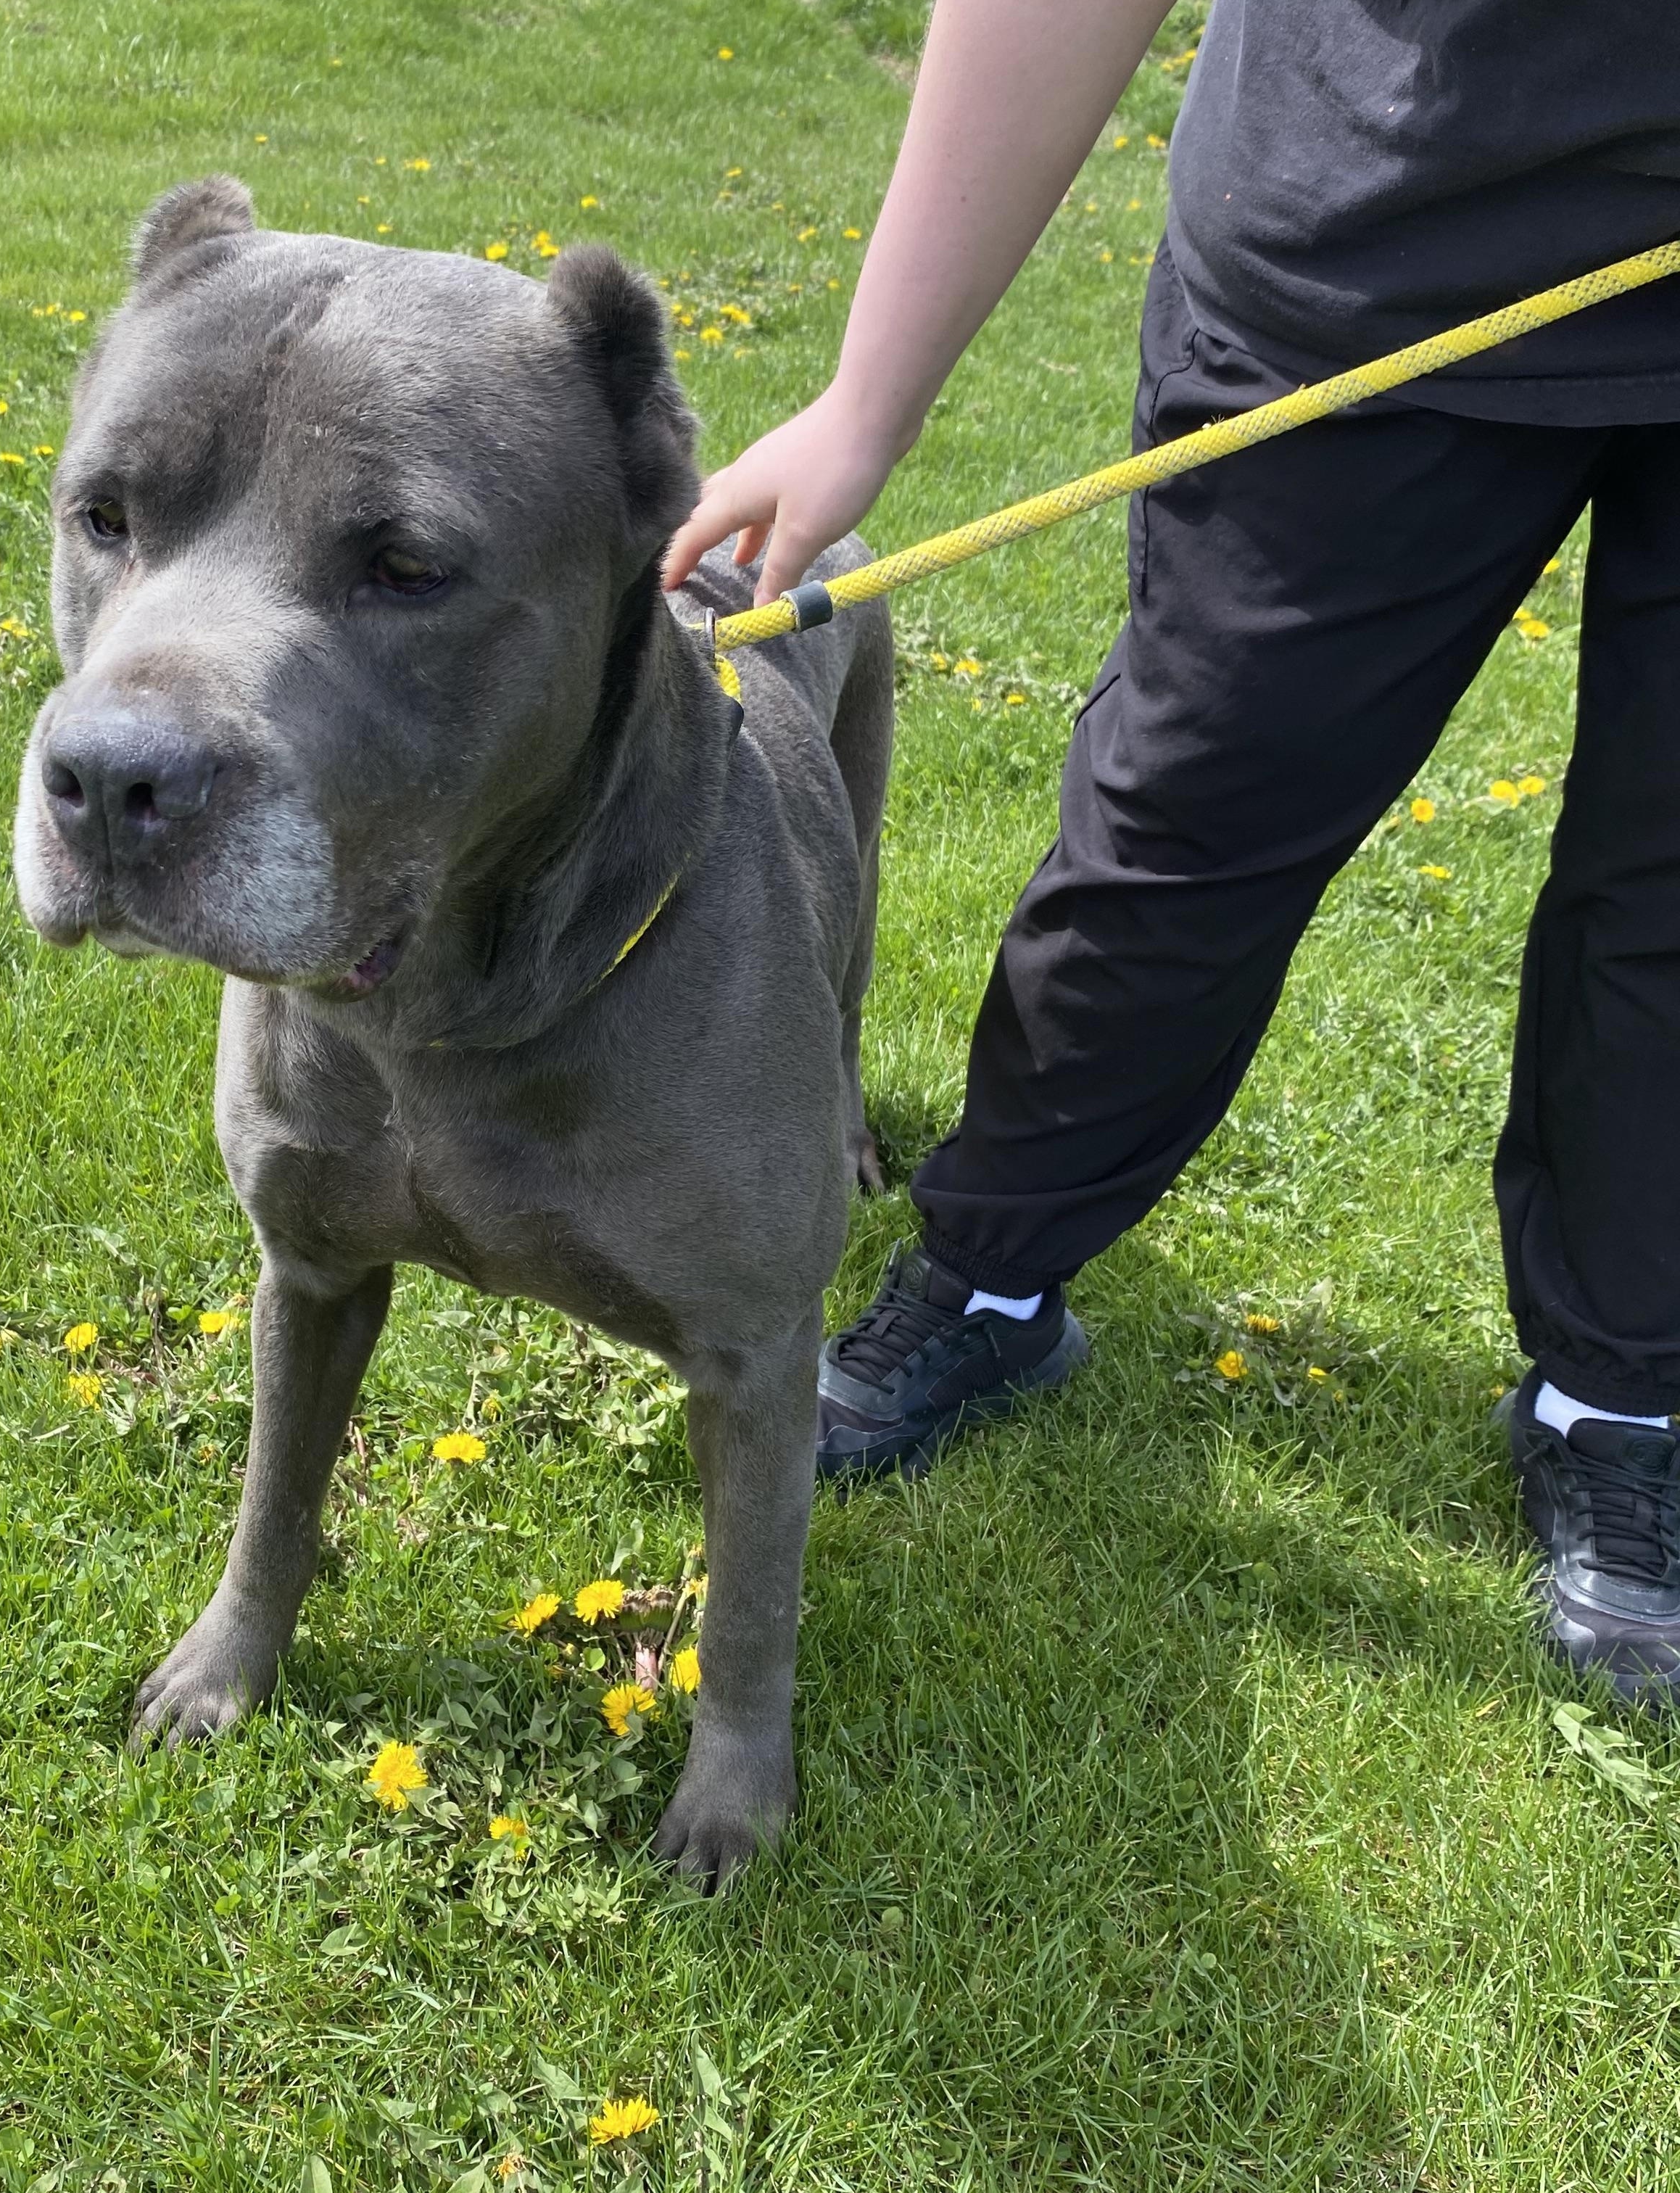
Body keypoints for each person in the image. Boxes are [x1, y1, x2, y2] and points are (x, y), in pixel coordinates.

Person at [661, 0, 1680, 1700]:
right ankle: (994, 1277)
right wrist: (867, 397)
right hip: (1371, 260)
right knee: (1193, 811)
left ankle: (1620, 1394)